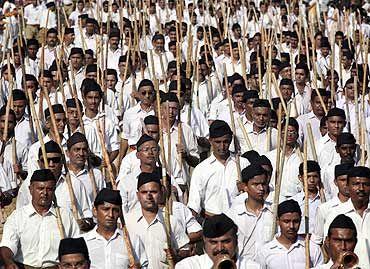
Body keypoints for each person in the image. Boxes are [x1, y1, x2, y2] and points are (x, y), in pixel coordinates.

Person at [0, 169, 80, 268]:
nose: (45, 193)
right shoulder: (17, 217)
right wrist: (9, 262)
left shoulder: (65, 216)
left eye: (49, 189)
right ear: (30, 189)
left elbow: (77, 248)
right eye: (40, 188)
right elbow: (8, 245)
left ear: (54, 190)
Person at [125, 171, 189, 268]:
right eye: (144, 192)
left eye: (153, 192)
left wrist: (176, 255)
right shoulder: (128, 221)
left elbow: (186, 249)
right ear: (138, 195)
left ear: (161, 193)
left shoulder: (171, 221)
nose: (149, 196)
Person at [188, 120, 249, 216]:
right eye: (218, 142)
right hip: (211, 221)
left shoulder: (243, 164)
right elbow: (194, 205)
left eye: (226, 142)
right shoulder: (201, 169)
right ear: (210, 141)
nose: (222, 146)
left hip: (238, 221)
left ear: (231, 140)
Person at [83, 188, 148, 269]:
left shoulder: (132, 240)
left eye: (115, 210)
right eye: (105, 209)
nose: (110, 214)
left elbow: (144, 265)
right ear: (95, 211)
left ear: (120, 213)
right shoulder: (83, 242)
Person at [323, 166, 370, 268]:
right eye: (356, 184)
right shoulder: (335, 213)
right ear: (348, 186)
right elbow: (328, 246)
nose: (361, 188)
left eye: (366, 184)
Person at [175, 214, 261, 268]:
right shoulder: (188, 266)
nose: (220, 248)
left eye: (226, 241)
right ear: (204, 242)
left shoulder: (253, 266)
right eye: (213, 242)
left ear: (236, 240)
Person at [225, 164, 273, 260]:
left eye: (263, 184)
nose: (261, 188)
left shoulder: (274, 213)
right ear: (245, 186)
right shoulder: (232, 215)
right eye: (255, 184)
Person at [256, 199, 323, 268]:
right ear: (278, 221)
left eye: (296, 221)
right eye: (286, 221)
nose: (291, 226)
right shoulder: (265, 251)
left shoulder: (312, 249)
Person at [312, 163, 353, 245]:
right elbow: (317, 240)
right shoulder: (324, 209)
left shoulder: (363, 208)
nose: (346, 184)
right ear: (335, 182)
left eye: (350, 180)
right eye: (342, 180)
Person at [66, 132, 106, 202]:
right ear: (68, 153)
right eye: (77, 149)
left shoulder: (96, 175)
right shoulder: (62, 175)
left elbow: (102, 201)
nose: (81, 154)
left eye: (84, 150)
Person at [291, 161, 323, 235]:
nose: (312, 180)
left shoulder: (326, 200)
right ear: (300, 178)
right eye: (308, 177)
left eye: (315, 176)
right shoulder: (294, 201)